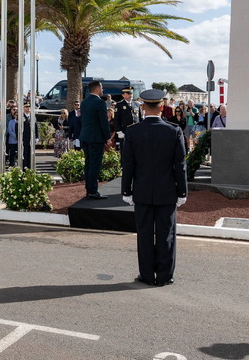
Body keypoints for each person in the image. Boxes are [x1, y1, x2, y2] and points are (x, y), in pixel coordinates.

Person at [120, 89, 188, 286]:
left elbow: (128, 164)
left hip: (141, 191)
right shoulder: (174, 131)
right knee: (167, 235)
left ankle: (147, 275)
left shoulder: (133, 131)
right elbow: (180, 166)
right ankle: (165, 276)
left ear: (143, 107)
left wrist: (127, 191)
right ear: (161, 107)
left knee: (145, 235)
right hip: (167, 192)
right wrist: (182, 192)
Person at [80, 81, 111, 199]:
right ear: (98, 89)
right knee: (95, 165)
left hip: (85, 137)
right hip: (96, 138)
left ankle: (89, 189)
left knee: (88, 164)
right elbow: (104, 122)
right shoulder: (100, 103)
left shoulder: (84, 103)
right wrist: (107, 138)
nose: (103, 89)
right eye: (102, 87)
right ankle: (93, 190)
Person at [114, 87, 142, 154]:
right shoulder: (119, 105)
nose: (131, 95)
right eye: (128, 93)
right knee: (125, 152)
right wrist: (119, 131)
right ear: (123, 95)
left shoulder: (137, 104)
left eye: (131, 93)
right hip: (124, 132)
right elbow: (116, 119)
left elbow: (140, 119)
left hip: (136, 133)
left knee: (136, 151)